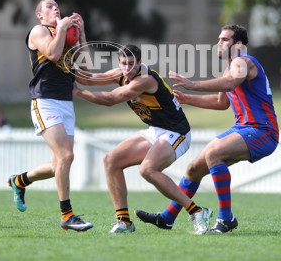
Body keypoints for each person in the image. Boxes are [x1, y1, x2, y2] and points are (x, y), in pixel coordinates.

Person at [135, 24, 279, 234]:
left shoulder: (242, 61)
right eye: (219, 39)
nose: (219, 43)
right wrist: (188, 99)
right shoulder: (230, 68)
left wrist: (192, 85)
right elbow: (222, 103)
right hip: (243, 128)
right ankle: (167, 217)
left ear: (238, 44)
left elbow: (230, 84)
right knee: (194, 168)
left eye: (224, 40)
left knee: (213, 153)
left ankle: (226, 219)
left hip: (263, 131)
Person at [73, 44, 212, 234]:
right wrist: (75, 46)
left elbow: (111, 99)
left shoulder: (144, 80)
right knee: (111, 160)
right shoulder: (120, 73)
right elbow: (86, 78)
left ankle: (197, 211)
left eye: (131, 64)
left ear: (139, 63)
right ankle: (124, 222)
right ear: (119, 62)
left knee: (147, 169)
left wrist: (78, 92)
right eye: (123, 64)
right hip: (156, 130)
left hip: (177, 132)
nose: (127, 68)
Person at [7, 0, 93, 232]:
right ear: (40, 15)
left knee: (60, 163)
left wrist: (82, 34)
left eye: (57, 5)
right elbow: (53, 55)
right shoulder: (39, 31)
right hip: (45, 101)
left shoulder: (65, 35)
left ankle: (19, 181)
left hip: (66, 102)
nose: (55, 8)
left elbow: (85, 69)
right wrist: (63, 29)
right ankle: (67, 215)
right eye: (49, 6)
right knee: (66, 156)